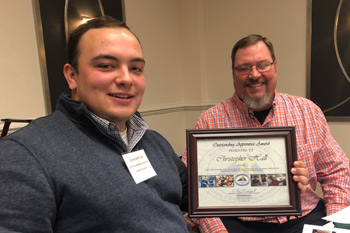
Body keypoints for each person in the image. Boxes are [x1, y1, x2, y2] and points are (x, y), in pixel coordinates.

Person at [0, 16, 190, 232]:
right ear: (72, 76)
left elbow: (200, 196)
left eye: (136, 68)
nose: (126, 79)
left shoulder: (155, 143)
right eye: (107, 65)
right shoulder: (24, 156)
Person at [183, 34, 350, 233]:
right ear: (233, 73)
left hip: (303, 217)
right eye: (244, 68)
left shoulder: (308, 112)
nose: (254, 74)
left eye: (263, 65)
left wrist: (334, 225)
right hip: (238, 223)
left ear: (275, 67)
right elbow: (193, 189)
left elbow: (337, 173)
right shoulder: (209, 121)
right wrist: (215, 229)